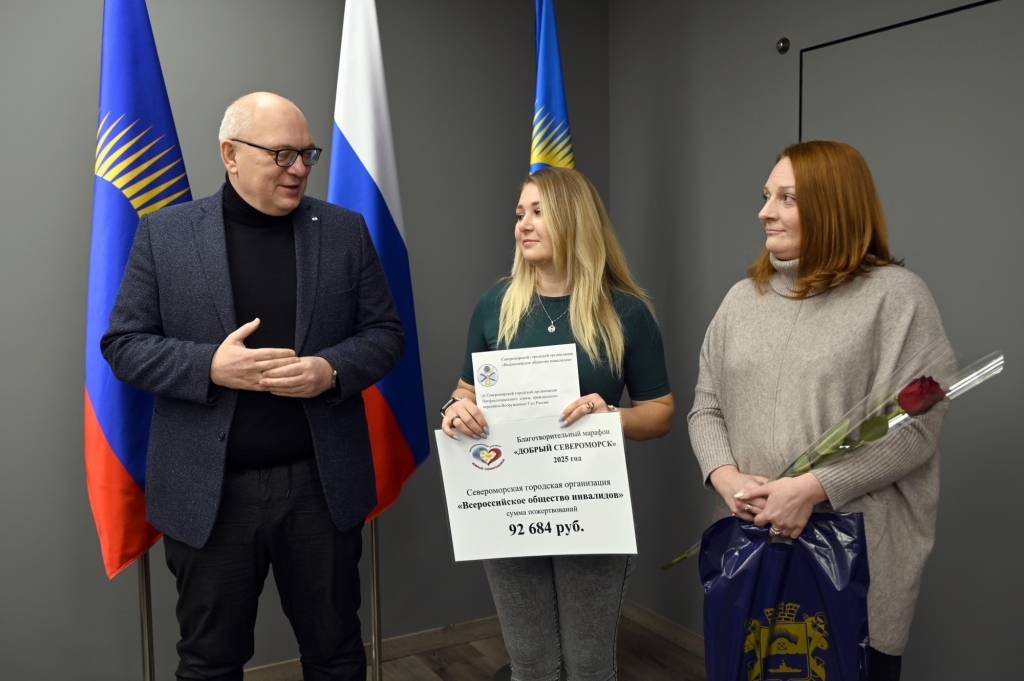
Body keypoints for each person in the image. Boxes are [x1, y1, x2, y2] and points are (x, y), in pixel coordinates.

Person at [102, 92, 404, 681]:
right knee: (209, 663)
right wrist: (209, 367)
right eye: (282, 154)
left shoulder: (343, 231)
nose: (299, 168)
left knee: (337, 656)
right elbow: (124, 344)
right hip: (209, 496)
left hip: (319, 488)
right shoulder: (165, 236)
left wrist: (330, 371)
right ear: (230, 155)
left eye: (307, 154)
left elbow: (385, 333)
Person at [688, 140, 949, 681]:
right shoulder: (741, 300)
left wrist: (812, 488)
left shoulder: (897, 298)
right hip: (750, 548)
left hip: (854, 561)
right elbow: (705, 407)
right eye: (766, 196)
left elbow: (915, 425)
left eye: (787, 198)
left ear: (834, 206)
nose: (765, 211)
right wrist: (726, 478)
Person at [440, 167, 675, 681]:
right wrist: (455, 409)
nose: (523, 224)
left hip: (588, 504)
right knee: (531, 665)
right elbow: (465, 391)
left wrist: (610, 415)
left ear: (575, 219)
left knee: (590, 666)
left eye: (538, 212)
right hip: (508, 504)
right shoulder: (495, 305)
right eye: (519, 214)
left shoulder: (626, 312)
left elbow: (660, 412)